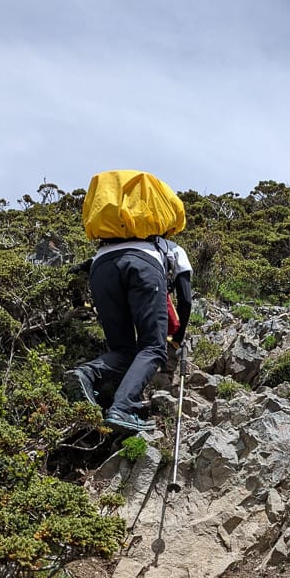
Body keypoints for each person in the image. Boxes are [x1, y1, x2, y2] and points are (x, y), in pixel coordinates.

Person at [65, 170, 192, 434]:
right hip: (143, 268)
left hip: (101, 269)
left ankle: (87, 374)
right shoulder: (170, 246)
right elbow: (186, 298)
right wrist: (177, 336)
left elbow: (86, 266)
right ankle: (124, 408)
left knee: (123, 350)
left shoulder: (106, 246)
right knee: (152, 347)